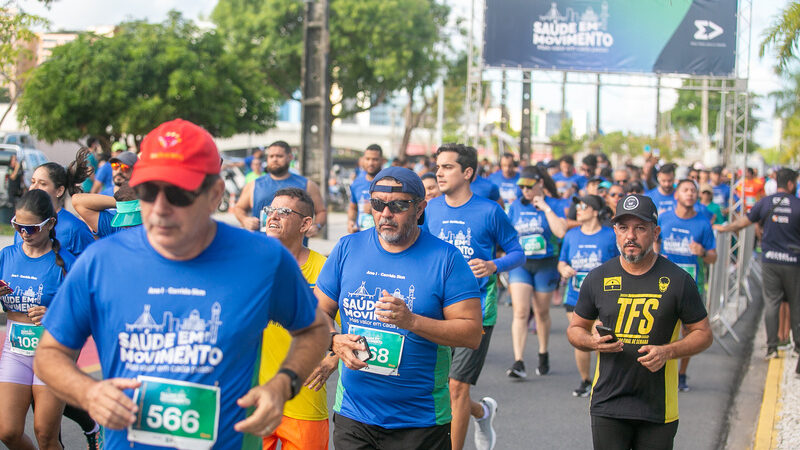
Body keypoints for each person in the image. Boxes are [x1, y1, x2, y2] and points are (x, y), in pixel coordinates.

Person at [34, 118, 329, 449]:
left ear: (215, 193)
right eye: (148, 191)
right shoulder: (101, 261)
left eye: (178, 193)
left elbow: (315, 329)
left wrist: (282, 385)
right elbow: (48, 355)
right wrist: (88, 392)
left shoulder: (264, 260)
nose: (160, 209)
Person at [314, 167, 482, 450]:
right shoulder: (347, 248)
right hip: (354, 415)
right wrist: (333, 340)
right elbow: (317, 311)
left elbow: (471, 334)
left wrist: (412, 321)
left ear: (420, 208)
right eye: (378, 204)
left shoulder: (446, 259)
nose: (385, 213)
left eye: (398, 205)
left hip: (420, 421)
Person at [567, 193, 713, 450]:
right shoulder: (598, 278)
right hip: (607, 404)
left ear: (655, 232)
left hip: (657, 408)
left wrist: (669, 351)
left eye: (640, 228)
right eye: (623, 228)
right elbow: (575, 329)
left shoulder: (678, 280)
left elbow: (703, 333)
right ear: (615, 231)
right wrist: (593, 342)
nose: (630, 236)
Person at [425, 144, 524, 450]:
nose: (439, 172)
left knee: (456, 387)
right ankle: (482, 412)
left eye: (447, 167)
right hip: (434, 310)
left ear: (467, 173)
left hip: (478, 310)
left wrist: (494, 264)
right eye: (438, 167)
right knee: (437, 387)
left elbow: (518, 253)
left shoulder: (490, 211)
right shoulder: (431, 208)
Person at [261, 187, 337, 450]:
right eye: (270, 210)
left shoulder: (325, 269)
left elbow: (355, 326)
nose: (273, 216)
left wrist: (333, 360)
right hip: (255, 398)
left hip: (305, 400)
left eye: (283, 211)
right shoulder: (250, 263)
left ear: (306, 224)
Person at [0, 189, 76, 450]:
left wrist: (54, 314)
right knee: (7, 431)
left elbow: (86, 314)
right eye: (18, 226)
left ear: (50, 224)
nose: (23, 233)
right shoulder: (6, 257)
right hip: (15, 351)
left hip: (53, 353)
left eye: (31, 229)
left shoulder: (67, 262)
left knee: (45, 434)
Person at [715, 168, 800, 359]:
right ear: (791, 184)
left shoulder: (765, 202)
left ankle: (772, 348)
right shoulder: (797, 204)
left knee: (772, 303)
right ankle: (798, 348)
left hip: (770, 260)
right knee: (796, 304)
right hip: (794, 262)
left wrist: (725, 228)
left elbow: (744, 222)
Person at [506, 165, 567, 379]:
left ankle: (543, 352)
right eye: (521, 186)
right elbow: (507, 234)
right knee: (521, 312)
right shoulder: (515, 207)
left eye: (529, 186)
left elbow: (560, 232)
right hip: (521, 265)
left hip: (546, 264)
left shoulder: (555, 204)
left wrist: (545, 207)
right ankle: (519, 361)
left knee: (541, 312)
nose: (525, 191)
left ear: (540, 183)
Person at [656, 179, 717, 392]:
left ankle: (681, 374)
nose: (690, 194)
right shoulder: (664, 219)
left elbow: (713, 257)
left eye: (693, 190)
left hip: (691, 284)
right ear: (677, 195)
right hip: (664, 283)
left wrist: (702, 252)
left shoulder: (703, 223)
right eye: (685, 190)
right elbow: (654, 244)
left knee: (689, 331)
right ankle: (659, 368)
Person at [557, 195, 618, 397]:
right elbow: (562, 261)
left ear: (595, 211)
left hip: (604, 298)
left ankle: (604, 382)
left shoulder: (610, 236)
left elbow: (620, 264)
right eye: (578, 205)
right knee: (581, 338)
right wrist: (563, 268)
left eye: (584, 206)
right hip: (575, 296)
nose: (579, 209)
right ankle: (585, 380)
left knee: (601, 340)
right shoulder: (571, 235)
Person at [233, 140, 326, 235]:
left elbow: (321, 211)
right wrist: (245, 220)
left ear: (290, 157)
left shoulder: (307, 185)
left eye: (279, 156)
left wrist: (317, 226)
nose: (274, 159)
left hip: (293, 248)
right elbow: (239, 208)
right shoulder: (254, 185)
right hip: (261, 245)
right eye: (271, 156)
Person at [22, 149, 94, 256]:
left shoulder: (75, 229)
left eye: (42, 184)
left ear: (59, 190)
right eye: (33, 182)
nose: (34, 187)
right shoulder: (22, 226)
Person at [72, 184, 143, 237]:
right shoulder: (117, 227)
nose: (126, 226)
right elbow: (77, 201)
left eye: (133, 223)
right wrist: (123, 204)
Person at [347, 144, 384, 233]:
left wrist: (376, 209)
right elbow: (353, 207)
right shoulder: (357, 183)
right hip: (361, 235)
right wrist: (350, 221)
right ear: (363, 160)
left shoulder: (389, 182)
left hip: (383, 236)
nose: (370, 163)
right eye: (367, 159)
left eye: (375, 159)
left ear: (382, 161)